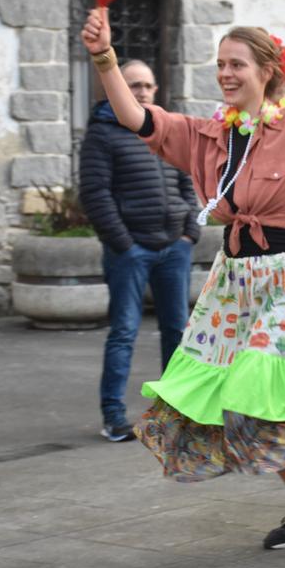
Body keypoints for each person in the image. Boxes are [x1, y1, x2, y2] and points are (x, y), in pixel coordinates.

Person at [79, 5, 285, 549]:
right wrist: (103, 56)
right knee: (227, 405)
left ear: (266, 70)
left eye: (237, 64)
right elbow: (136, 117)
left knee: (254, 386)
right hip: (235, 281)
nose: (225, 73)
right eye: (220, 64)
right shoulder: (207, 134)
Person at [79, 60, 200, 443]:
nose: (143, 92)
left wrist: (189, 231)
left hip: (173, 247)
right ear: (116, 88)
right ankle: (114, 415)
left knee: (177, 332)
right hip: (130, 250)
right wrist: (124, 245)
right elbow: (95, 194)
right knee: (124, 332)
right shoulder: (102, 134)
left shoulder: (163, 129)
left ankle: (177, 408)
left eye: (148, 85)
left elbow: (187, 178)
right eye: (134, 85)